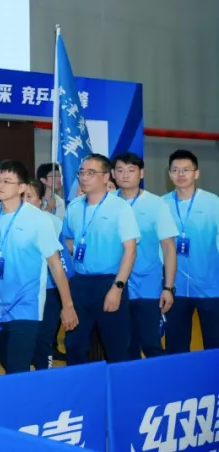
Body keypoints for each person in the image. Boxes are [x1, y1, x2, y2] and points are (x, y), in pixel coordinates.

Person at [0, 160, 77, 374]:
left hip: (26, 306)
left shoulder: (39, 220)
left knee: (17, 367)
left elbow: (55, 265)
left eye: (7, 181)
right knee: (5, 364)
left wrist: (67, 306)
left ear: (21, 187)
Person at [61, 154, 140, 364]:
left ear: (106, 177)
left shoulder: (120, 207)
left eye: (91, 173)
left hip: (109, 283)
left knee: (116, 348)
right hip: (79, 284)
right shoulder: (74, 207)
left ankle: (120, 385)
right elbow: (67, 240)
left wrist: (117, 288)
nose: (84, 177)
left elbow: (130, 250)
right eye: (81, 173)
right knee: (74, 346)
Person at [112, 153, 177, 358]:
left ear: (141, 173)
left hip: (148, 285)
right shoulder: (108, 203)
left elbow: (169, 248)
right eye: (120, 170)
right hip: (116, 286)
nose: (125, 175)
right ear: (112, 174)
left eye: (131, 170)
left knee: (151, 343)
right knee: (125, 345)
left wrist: (168, 287)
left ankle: (160, 379)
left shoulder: (157, 204)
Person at [162, 150, 219, 352]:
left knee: (214, 346)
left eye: (186, 170)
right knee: (176, 348)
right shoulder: (161, 204)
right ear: (169, 174)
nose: (180, 174)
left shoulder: (214, 203)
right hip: (174, 289)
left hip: (211, 288)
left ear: (196, 173)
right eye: (175, 170)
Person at [25, 178, 71, 370]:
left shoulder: (52, 222)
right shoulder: (10, 221)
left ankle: (45, 371)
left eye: (29, 196)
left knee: (45, 335)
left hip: (50, 288)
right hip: (25, 289)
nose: (24, 201)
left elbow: (61, 260)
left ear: (41, 200)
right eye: (21, 196)